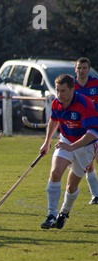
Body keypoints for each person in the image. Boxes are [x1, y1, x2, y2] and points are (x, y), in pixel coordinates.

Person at [40, 74, 98, 230]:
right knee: (55, 173)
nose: (59, 95)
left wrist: (73, 147)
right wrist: (46, 143)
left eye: (63, 91)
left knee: (71, 187)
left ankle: (63, 213)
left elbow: (92, 133)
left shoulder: (84, 104)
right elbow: (53, 120)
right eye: (57, 90)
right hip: (65, 141)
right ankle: (51, 214)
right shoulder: (56, 103)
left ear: (72, 89)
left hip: (85, 147)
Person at [74, 57, 98, 204]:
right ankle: (95, 195)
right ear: (75, 69)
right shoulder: (72, 86)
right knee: (89, 164)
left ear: (89, 69)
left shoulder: (96, 83)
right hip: (81, 130)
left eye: (84, 68)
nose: (81, 71)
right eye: (79, 68)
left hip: (96, 127)